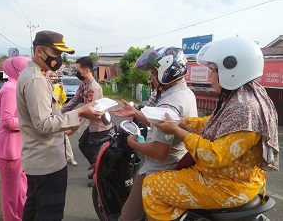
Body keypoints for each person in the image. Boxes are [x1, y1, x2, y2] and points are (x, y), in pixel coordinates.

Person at [142, 37, 280, 221]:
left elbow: (214, 157)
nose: (210, 76)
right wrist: (182, 121)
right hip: (233, 178)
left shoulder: (244, 109)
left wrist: (177, 131)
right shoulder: (245, 95)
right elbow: (213, 124)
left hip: (226, 185)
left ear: (232, 71)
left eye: (213, 70)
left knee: (151, 186)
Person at [16, 30, 103, 221]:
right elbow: (44, 124)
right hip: (47, 162)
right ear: (39, 51)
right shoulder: (36, 79)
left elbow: (50, 114)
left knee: (34, 210)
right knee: (49, 214)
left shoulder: (37, 74)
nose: (59, 59)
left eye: (60, 54)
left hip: (41, 159)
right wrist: (80, 112)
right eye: (55, 53)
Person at [111, 47, 198, 221]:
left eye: (153, 73)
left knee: (127, 218)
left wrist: (132, 143)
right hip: (177, 165)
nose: (151, 79)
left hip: (157, 171)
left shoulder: (169, 104)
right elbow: (159, 123)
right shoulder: (185, 94)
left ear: (166, 73)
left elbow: (160, 152)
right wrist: (136, 113)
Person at [61, 56, 113, 187]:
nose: (76, 72)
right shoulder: (84, 84)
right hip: (92, 123)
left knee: (91, 151)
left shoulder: (94, 88)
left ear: (87, 70)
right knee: (82, 145)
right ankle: (98, 169)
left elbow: (87, 112)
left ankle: (101, 176)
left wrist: (72, 127)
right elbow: (74, 101)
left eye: (78, 70)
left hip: (100, 125)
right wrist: (58, 113)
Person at [0, 56, 30, 221]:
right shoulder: (10, 89)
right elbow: (7, 121)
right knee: (11, 193)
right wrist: (31, 122)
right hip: (9, 148)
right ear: (18, 70)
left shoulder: (17, 86)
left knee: (21, 189)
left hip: (17, 146)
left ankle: (21, 216)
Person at [47, 70, 78, 166]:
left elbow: (63, 100)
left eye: (54, 76)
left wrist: (61, 89)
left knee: (64, 137)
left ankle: (70, 158)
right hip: (48, 115)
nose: (53, 78)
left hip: (58, 114)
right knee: (49, 139)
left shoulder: (58, 87)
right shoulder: (44, 87)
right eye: (51, 76)